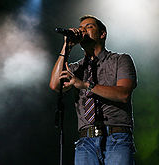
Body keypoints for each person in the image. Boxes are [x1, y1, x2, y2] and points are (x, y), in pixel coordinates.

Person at [49, 15, 137, 165]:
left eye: (89, 27)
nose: (82, 31)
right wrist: (66, 47)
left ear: (102, 34)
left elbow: (123, 94)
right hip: (86, 142)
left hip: (116, 137)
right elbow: (55, 85)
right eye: (81, 28)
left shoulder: (120, 60)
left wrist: (85, 85)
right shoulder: (77, 68)